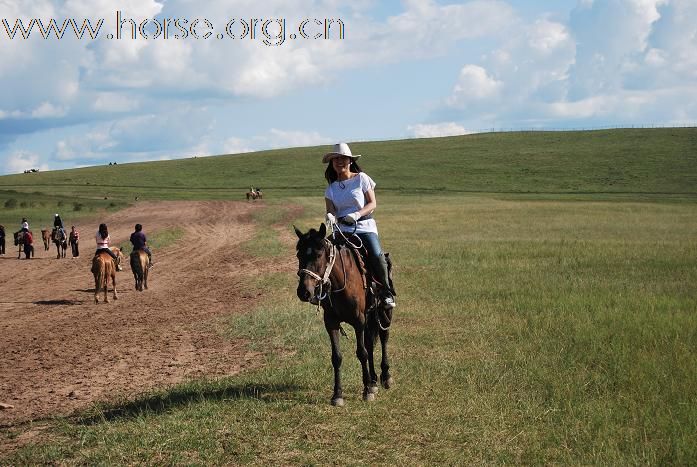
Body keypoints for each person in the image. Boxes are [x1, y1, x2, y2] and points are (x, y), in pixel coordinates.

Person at [322, 142, 395, 309]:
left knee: (376, 255)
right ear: (332, 163)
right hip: (342, 230)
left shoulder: (361, 178)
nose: (339, 162)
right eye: (336, 159)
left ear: (350, 161)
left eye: (343, 159)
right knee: (321, 253)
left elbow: (372, 203)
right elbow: (331, 210)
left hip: (364, 227)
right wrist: (330, 216)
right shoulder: (331, 189)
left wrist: (356, 215)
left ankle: (386, 292)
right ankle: (323, 293)